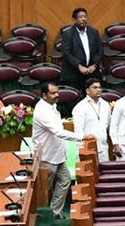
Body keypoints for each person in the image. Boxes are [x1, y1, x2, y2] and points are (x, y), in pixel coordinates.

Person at [34, 82, 90, 219]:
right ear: (44, 95)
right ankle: (39, 215)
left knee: (65, 181)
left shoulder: (52, 106)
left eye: (57, 92)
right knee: (44, 190)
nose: (57, 95)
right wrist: (82, 137)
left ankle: (54, 212)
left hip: (58, 155)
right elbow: (58, 132)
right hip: (46, 157)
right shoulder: (41, 110)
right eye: (53, 93)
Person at [59, 7, 102, 95]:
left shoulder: (94, 32)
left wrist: (94, 65)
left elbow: (100, 50)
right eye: (80, 17)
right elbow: (66, 54)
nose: (83, 19)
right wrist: (79, 66)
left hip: (92, 72)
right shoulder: (68, 34)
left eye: (85, 16)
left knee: (92, 97)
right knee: (75, 98)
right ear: (75, 19)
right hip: (74, 72)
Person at [71, 78, 112, 161]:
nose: (98, 90)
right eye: (95, 87)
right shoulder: (80, 107)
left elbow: (108, 125)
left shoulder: (105, 104)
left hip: (103, 149)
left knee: (104, 173)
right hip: (88, 149)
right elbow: (78, 131)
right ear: (87, 90)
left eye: (99, 87)